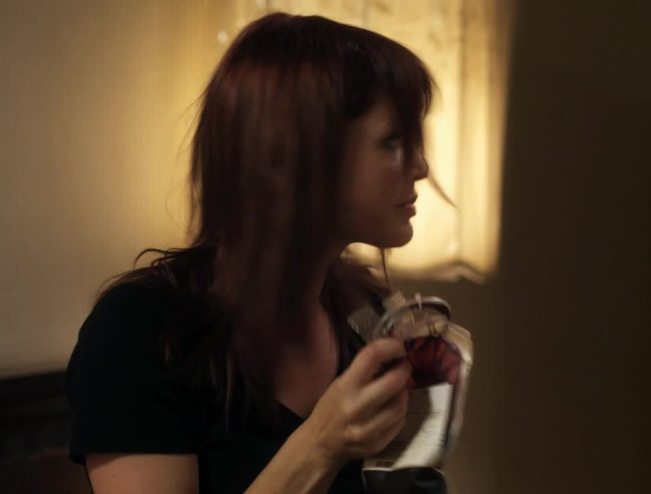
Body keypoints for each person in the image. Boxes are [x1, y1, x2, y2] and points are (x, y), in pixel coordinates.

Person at [65, 12, 432, 493]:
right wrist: (321, 445)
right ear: (298, 152)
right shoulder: (140, 331)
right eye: (394, 141)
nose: (421, 167)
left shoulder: (367, 311)